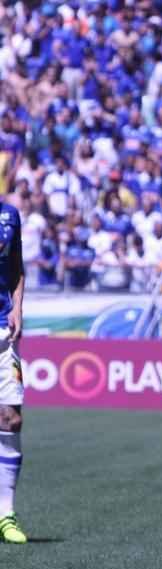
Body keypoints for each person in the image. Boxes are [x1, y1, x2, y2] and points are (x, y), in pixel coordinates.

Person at [0, 202, 26, 543]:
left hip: (3, 329)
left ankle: (5, 514)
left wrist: (18, 307)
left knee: (11, 418)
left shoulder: (10, 215)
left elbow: (17, 267)